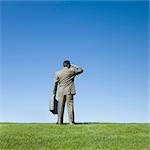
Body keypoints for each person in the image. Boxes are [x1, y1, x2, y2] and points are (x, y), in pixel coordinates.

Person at [52, 60, 83, 125]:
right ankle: (71, 122)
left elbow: (55, 83)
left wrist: (54, 93)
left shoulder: (58, 73)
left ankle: (59, 122)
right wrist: (74, 65)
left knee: (60, 106)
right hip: (69, 91)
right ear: (68, 65)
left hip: (61, 91)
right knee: (70, 106)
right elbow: (81, 70)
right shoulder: (71, 70)